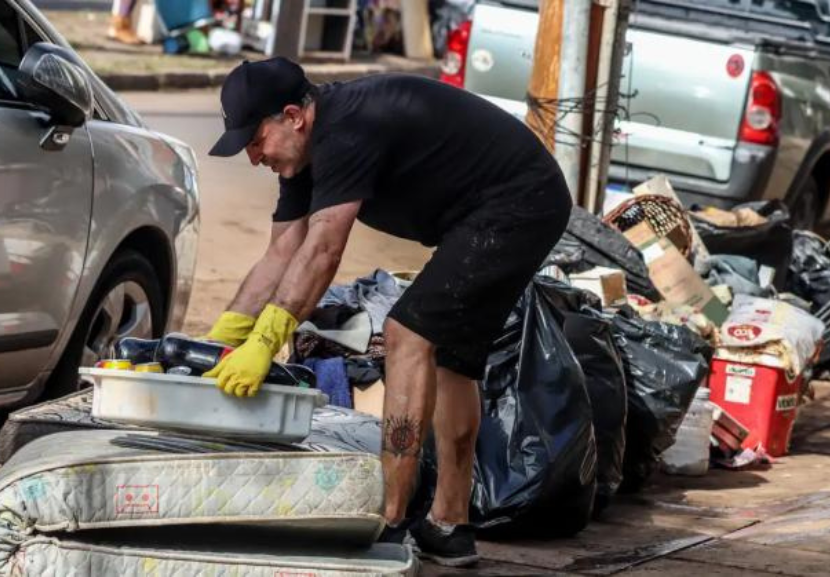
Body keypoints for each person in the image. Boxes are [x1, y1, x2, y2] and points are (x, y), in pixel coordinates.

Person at [203, 57, 572, 567]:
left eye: (255, 140)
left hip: (520, 202)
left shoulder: (349, 129)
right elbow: (281, 253)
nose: (253, 157)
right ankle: (449, 524)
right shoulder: (302, 156)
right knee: (452, 361)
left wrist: (266, 342)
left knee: (407, 332)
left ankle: (392, 519)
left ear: (293, 116)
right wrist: (222, 338)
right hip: (491, 211)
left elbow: (323, 251)